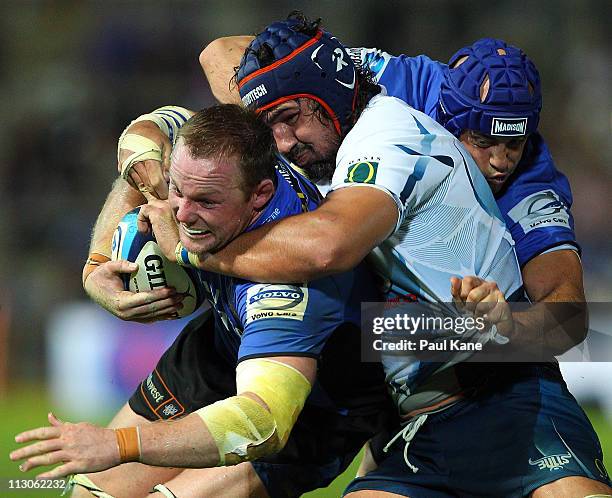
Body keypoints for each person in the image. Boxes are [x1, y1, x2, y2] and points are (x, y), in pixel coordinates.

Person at [121, 14, 608, 497]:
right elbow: (221, 56)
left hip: (502, 396)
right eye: (480, 140)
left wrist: (505, 327)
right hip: (408, 414)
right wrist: (101, 264)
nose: (498, 161)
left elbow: (567, 325)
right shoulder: (390, 87)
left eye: (515, 143)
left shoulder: (518, 188)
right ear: (446, 112)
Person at [11, 105, 391, 498]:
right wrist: (97, 266)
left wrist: (118, 445)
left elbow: (261, 422)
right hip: (220, 350)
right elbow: (145, 134)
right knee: (89, 495)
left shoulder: (285, 291)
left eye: (207, 201)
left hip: (311, 405)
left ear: (259, 195)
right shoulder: (237, 157)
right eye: (178, 190)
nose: (184, 215)